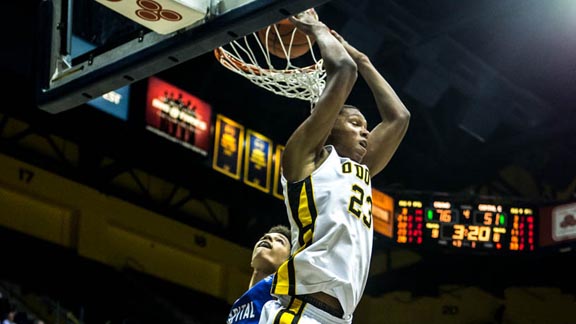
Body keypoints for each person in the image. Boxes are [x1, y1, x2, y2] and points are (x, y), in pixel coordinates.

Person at [259, 8, 410, 324]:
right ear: (329, 127)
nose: (365, 132)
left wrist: (365, 61)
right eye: (356, 122)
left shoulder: (361, 169)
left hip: (340, 318)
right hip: (301, 310)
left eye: (365, 126)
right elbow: (343, 71)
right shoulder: (305, 160)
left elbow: (399, 117)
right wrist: (315, 29)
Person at [227, 225, 291, 324]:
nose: (267, 238)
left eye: (279, 240)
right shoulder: (238, 304)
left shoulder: (288, 292)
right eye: (264, 237)